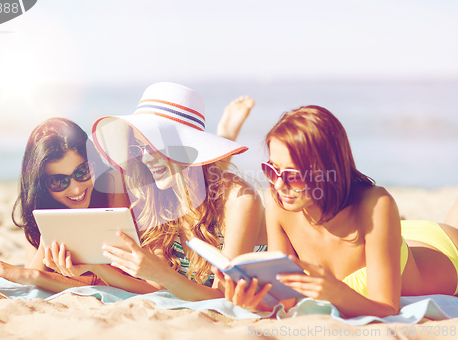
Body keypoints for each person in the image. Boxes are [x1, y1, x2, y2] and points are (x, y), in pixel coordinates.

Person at [218, 105, 458, 318]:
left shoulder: (377, 204)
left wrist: (334, 292)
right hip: (388, 235)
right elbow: (287, 300)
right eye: (272, 170)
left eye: (293, 175)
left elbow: (387, 308)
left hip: (443, 247)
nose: (279, 185)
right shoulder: (279, 204)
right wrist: (250, 302)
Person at [87, 82, 268, 300]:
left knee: (202, 180)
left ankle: (226, 134)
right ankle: (225, 134)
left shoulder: (240, 199)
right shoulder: (158, 197)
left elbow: (225, 296)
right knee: (195, 178)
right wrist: (95, 267)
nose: (145, 158)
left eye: (154, 146)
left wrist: (163, 274)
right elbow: (157, 288)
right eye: (140, 147)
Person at [0, 118, 129, 292]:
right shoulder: (39, 204)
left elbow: (122, 279)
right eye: (59, 181)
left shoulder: (112, 184)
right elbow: (33, 273)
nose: (76, 189)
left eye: (83, 171)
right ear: (42, 185)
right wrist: (50, 234)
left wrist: (35, 276)